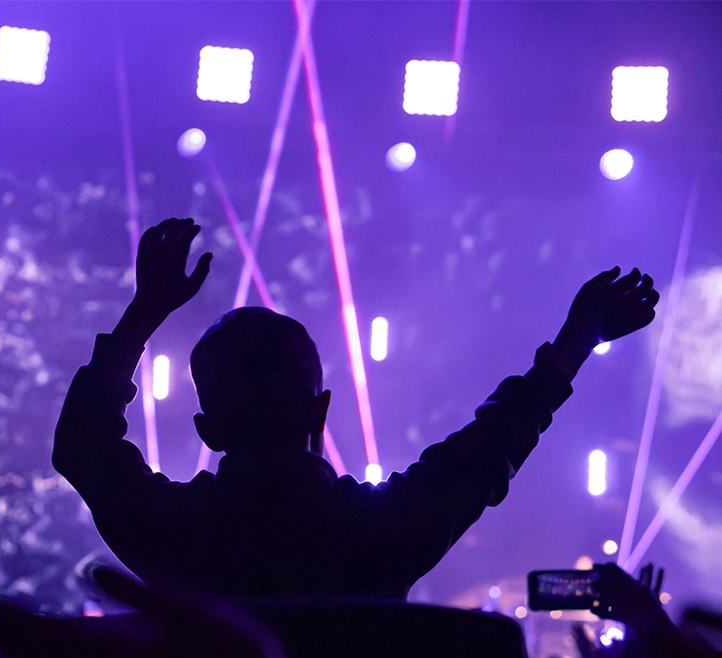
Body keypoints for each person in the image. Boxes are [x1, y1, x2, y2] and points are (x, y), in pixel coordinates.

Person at [53, 217, 660, 599]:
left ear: (207, 430)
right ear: (321, 412)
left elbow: (84, 447)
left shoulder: (175, 532)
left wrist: (144, 313)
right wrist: (576, 342)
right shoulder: (379, 529)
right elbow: (489, 447)